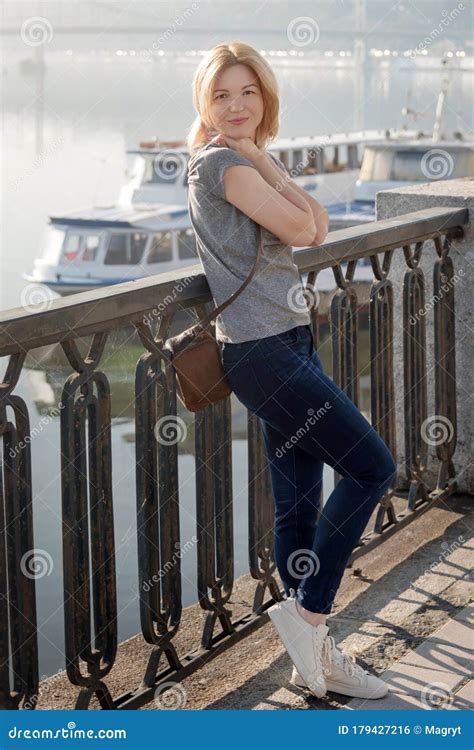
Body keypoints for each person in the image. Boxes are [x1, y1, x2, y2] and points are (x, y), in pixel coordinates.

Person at [186, 41, 397, 701]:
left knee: (299, 506)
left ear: (265, 96)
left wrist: (266, 162)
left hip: (283, 345)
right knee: (372, 467)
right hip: (264, 353)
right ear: (205, 102)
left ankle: (316, 659)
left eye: (248, 92)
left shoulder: (242, 160)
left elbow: (321, 223)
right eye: (223, 94)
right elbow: (306, 232)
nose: (237, 104)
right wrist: (260, 165)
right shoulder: (223, 165)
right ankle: (310, 619)